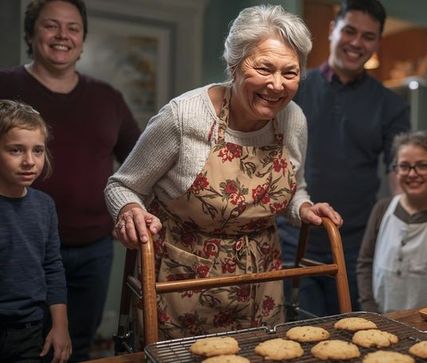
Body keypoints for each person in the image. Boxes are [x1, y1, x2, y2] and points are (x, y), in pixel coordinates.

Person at [105, 4, 342, 341]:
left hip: (262, 285)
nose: (276, 85)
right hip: (183, 287)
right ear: (234, 65)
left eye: (290, 73)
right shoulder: (183, 117)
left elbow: (294, 187)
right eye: (264, 68)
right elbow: (122, 185)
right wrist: (129, 210)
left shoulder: (294, 120)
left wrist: (303, 207)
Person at [0, 1, 141, 360]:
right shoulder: (5, 87)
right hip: (19, 244)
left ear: (82, 39)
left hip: (93, 248)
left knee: (75, 345)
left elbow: (140, 166)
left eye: (73, 28)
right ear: (31, 34)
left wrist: (130, 208)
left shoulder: (107, 98)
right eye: (51, 25)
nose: (63, 35)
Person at [277, 0, 410, 316]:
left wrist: (403, 234)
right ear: (332, 29)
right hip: (290, 238)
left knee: (350, 331)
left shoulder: (391, 105)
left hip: (356, 246)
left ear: (377, 42)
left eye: (368, 36)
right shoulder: (294, 87)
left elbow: (399, 173)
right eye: (349, 31)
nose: (356, 43)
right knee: (294, 334)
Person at [357, 131, 427, 313]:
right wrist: (370, 310)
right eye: (404, 166)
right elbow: (365, 264)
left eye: (422, 166)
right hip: (382, 319)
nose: (412, 174)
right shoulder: (382, 210)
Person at [0, 100, 72, 363]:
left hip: (30, 330)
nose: (29, 161)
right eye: (16, 150)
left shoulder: (44, 206)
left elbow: (52, 266)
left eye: (38, 151)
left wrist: (60, 326)